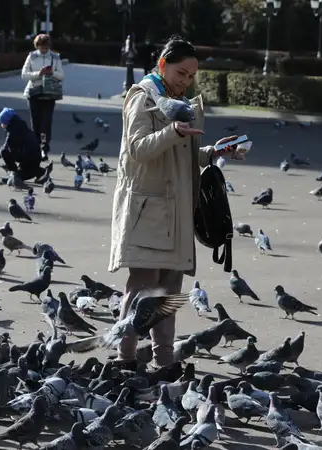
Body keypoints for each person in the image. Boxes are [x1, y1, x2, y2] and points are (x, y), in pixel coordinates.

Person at [109, 36, 242, 368]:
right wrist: (174, 133)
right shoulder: (143, 97)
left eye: (191, 76)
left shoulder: (179, 101)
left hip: (178, 209)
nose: (186, 81)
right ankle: (124, 359)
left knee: (169, 291)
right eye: (181, 73)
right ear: (163, 64)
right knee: (143, 288)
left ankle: (165, 362)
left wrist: (214, 152)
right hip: (148, 209)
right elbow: (138, 149)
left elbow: (182, 155)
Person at [21, 34, 64, 158]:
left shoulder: (55, 57)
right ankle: (35, 147)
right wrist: (39, 73)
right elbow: (24, 75)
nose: (44, 50)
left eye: (46, 47)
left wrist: (52, 72)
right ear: (37, 46)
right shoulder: (32, 56)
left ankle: (44, 148)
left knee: (46, 122)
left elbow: (61, 75)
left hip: (49, 93)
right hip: (33, 92)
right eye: (41, 47)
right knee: (35, 122)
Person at [0, 107, 49, 182]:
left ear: (7, 121)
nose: (1, 125)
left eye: (2, 123)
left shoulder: (13, 132)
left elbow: (4, 149)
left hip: (28, 159)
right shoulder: (20, 125)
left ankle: (15, 175)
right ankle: (41, 172)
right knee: (25, 172)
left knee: (4, 152)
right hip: (34, 158)